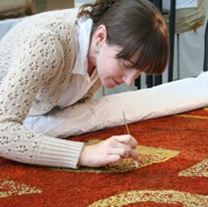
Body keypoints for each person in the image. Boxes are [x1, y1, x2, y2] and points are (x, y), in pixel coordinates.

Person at [0, 0, 169, 169]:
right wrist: (83, 154)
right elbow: (3, 132)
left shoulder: (98, 52)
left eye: (140, 72)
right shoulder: (46, 44)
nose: (130, 81)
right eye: (126, 65)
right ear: (101, 37)